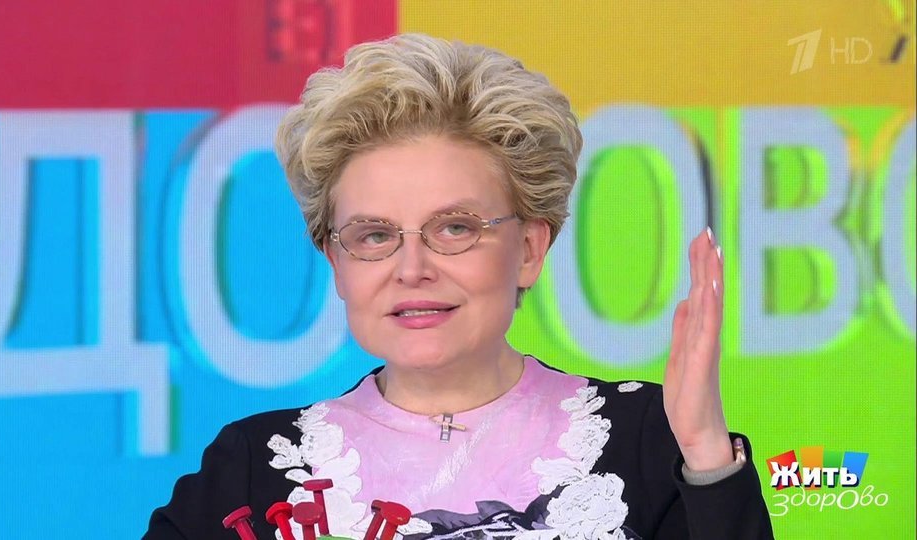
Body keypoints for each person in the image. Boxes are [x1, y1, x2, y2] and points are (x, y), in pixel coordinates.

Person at [144, 33, 773, 540]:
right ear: (336, 262)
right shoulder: (251, 471)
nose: (412, 268)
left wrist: (706, 459)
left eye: (454, 228)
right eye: (373, 235)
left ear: (529, 250)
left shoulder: (651, 439)